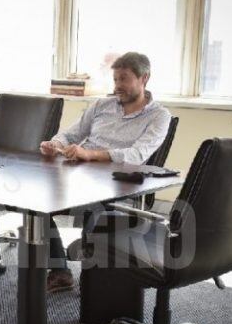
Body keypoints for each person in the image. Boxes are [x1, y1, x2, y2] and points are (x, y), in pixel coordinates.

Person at [39, 52, 171, 292]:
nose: (118, 86)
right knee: (37, 205)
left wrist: (92, 154)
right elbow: (71, 134)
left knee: (96, 217)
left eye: (124, 79)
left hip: (119, 184)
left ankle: (95, 278)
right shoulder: (101, 105)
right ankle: (59, 271)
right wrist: (55, 144)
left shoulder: (160, 116)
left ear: (144, 79)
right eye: (115, 80)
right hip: (79, 174)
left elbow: (137, 155)